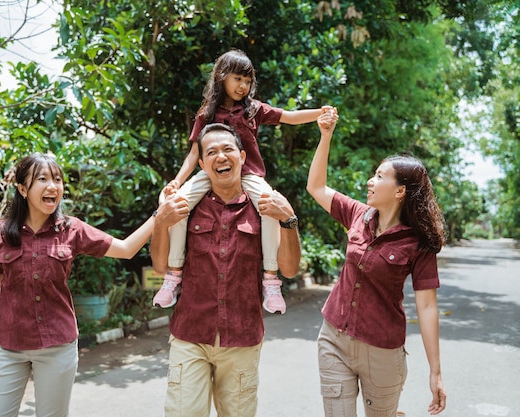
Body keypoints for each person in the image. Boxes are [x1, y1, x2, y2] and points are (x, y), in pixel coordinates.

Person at [0, 153, 154, 417]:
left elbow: (127, 249)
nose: (53, 186)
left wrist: (159, 215)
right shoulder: (1, 233)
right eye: (43, 179)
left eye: (57, 179)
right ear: (23, 189)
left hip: (57, 346)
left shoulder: (72, 230)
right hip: (9, 345)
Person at [153, 48, 334, 314]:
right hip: (209, 172)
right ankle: (173, 275)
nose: (243, 86)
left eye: (247, 81)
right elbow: (194, 153)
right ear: (222, 77)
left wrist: (321, 112)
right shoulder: (207, 113)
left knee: (269, 204)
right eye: (238, 79)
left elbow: (289, 116)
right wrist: (177, 182)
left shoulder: (253, 109)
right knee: (177, 205)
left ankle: (271, 280)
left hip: (249, 173)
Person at [151, 123, 301, 417]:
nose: (221, 156)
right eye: (212, 152)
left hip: (242, 339)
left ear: (243, 157)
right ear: (203, 164)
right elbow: (159, 265)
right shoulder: (186, 206)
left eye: (228, 149)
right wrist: (160, 222)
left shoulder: (264, 207)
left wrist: (289, 220)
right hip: (190, 335)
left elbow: (290, 268)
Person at [306, 110, 447, 416]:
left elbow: (426, 306)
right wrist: (325, 135)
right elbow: (316, 187)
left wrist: (435, 371)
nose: (371, 181)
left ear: (400, 191)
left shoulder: (418, 242)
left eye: (380, 176)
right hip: (334, 339)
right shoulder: (357, 214)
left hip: (382, 351)